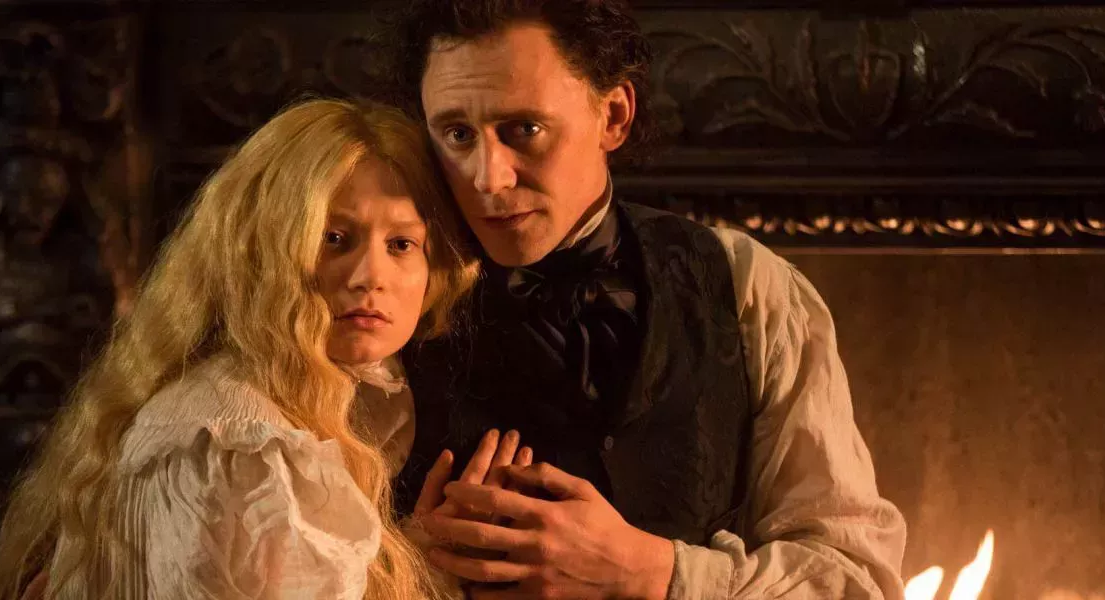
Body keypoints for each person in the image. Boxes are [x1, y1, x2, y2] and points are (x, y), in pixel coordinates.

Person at [385, 1, 909, 599]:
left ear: (613, 115)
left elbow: (856, 579)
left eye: (525, 130)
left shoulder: (747, 287)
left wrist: (652, 572)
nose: (489, 178)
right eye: (457, 135)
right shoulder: (380, 298)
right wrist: (405, 572)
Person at [0, 98, 509, 600]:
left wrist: (413, 562)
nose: (371, 276)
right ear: (263, 252)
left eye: (402, 244)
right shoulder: (238, 444)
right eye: (333, 239)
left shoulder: (329, 401)